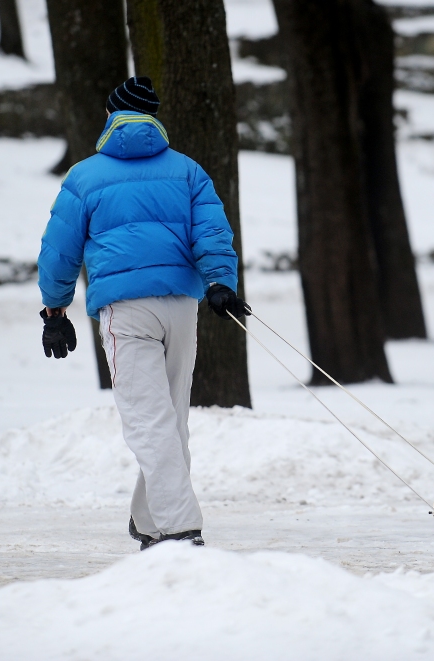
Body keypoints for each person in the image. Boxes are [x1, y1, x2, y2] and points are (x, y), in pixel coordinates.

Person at [36, 76, 250, 550]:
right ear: (154, 118)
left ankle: (178, 528)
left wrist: (55, 310)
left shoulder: (85, 176)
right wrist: (219, 284)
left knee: (148, 420)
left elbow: (59, 251)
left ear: (112, 118)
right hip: (180, 307)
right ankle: (150, 521)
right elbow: (213, 232)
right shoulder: (188, 171)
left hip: (126, 311)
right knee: (170, 419)